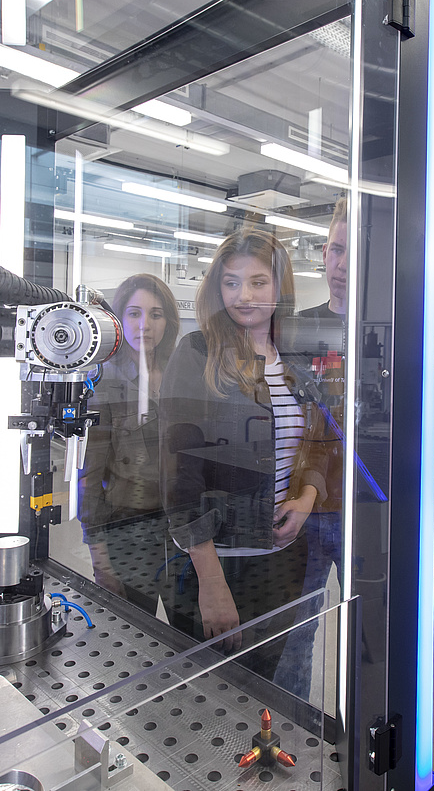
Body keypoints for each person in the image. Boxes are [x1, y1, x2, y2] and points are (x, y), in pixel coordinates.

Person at [159, 228, 327, 682]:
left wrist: (309, 495)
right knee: (213, 700)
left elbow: (315, 442)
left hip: (282, 558)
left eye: (257, 282)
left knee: (267, 695)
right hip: (216, 561)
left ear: (279, 289)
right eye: (231, 283)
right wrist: (211, 583)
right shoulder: (196, 353)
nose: (243, 296)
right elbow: (181, 473)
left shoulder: (292, 359)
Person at [275, 196, 348, 698]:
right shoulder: (295, 329)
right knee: (296, 633)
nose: (340, 267)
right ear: (323, 251)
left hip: (374, 507)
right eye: (336, 251)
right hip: (307, 507)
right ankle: (292, 736)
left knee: (378, 637)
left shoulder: (400, 328)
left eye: (354, 255)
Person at [79, 273, 180, 612]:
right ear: (119, 319)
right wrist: (100, 559)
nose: (145, 325)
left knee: (192, 637)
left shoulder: (183, 375)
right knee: (139, 635)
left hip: (182, 528)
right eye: (134, 313)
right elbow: (89, 478)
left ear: (168, 320)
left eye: (156, 314)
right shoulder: (105, 382)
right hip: (128, 530)